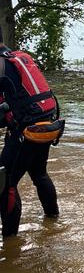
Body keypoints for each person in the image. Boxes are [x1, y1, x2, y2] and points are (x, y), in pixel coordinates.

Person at [0, 38, 64, 238]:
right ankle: (53, 220)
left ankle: (10, 244)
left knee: (5, 183)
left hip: (26, 131)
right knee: (39, 174)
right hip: (47, 126)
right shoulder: (19, 58)